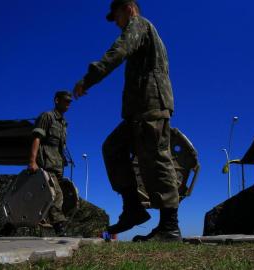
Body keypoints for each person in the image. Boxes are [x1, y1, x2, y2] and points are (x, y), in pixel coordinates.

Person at [73, 0, 181, 241]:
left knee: (157, 159)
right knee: (113, 147)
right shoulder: (140, 30)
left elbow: (118, 51)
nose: (117, 23)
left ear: (128, 8)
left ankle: (169, 227)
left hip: (151, 105)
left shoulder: (138, 26)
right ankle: (133, 209)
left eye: (117, 17)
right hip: (138, 111)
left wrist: (89, 79)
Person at [28, 91, 72, 236]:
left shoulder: (63, 123)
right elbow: (37, 138)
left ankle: (9, 225)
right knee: (55, 194)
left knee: (37, 197)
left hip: (57, 165)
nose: (68, 104)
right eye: (65, 100)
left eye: (70, 101)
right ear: (56, 100)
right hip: (45, 163)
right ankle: (59, 226)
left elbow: (60, 147)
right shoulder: (47, 116)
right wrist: (32, 161)